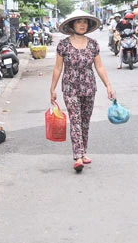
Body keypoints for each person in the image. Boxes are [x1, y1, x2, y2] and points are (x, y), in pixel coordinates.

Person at [49, 10, 115, 172]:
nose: (82, 24)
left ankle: (83, 151)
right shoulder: (63, 45)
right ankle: (77, 156)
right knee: (75, 120)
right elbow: (58, 68)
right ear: (72, 25)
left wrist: (108, 85)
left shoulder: (93, 44)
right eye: (79, 22)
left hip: (89, 87)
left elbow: (99, 66)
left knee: (85, 121)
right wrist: (52, 88)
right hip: (70, 88)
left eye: (85, 22)